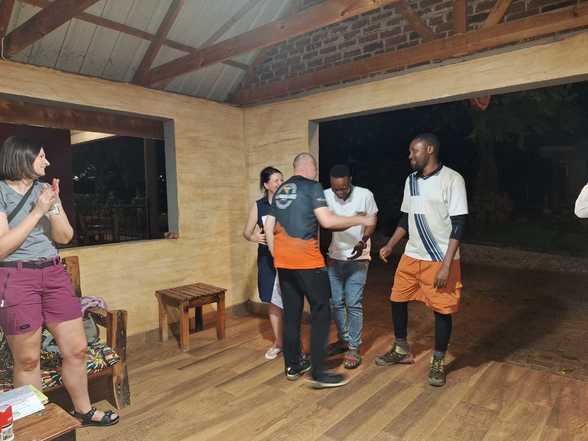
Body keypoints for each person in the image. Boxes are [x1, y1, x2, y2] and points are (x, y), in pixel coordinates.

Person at [0, 136, 118, 426]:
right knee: (28, 360)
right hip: (17, 275)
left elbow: (64, 236)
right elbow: (2, 248)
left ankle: (83, 411)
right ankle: (36, 425)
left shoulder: (45, 191)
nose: (47, 161)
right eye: (41, 156)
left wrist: (52, 206)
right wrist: (38, 211)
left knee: (76, 349)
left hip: (54, 273)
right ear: (22, 157)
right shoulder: (1, 192)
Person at [264, 152, 376, 389]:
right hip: (308, 263)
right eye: (316, 169)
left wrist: (277, 258)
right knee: (321, 312)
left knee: (291, 315)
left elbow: (269, 225)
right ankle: (319, 373)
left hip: (284, 264)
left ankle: (293, 365)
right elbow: (327, 221)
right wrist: (360, 220)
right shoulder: (312, 186)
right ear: (311, 168)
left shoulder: (282, 190)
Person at [375, 133, 468, 387]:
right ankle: (401, 349)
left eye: (413, 151)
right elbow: (407, 217)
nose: (410, 156)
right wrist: (391, 245)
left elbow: (459, 224)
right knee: (397, 299)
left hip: (440, 257)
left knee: (442, 309)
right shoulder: (411, 181)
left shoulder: (452, 179)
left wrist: (446, 265)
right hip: (412, 254)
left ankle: (438, 361)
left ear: (429, 150)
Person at [324, 164, 378, 369]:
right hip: (335, 257)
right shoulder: (325, 196)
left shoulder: (365, 195)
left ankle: (354, 347)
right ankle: (343, 340)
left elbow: (371, 221)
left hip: (359, 257)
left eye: (344, 188)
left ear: (350, 181)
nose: (340, 193)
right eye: (336, 189)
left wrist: (363, 241)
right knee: (336, 302)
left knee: (353, 303)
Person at [243, 166, 284, 360]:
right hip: (267, 259)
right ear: (266, 185)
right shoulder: (259, 205)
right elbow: (246, 232)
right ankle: (279, 342)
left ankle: (292, 342)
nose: (280, 183)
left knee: (288, 298)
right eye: (276, 181)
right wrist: (255, 238)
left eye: (282, 180)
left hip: (287, 257)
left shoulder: (287, 203)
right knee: (272, 300)